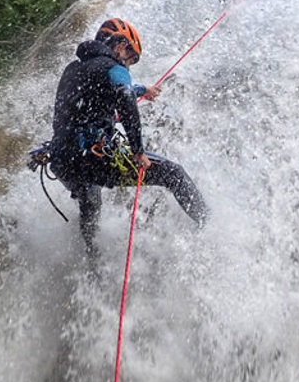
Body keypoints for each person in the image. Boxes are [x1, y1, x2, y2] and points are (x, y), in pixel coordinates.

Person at [48, 18, 207, 254]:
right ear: (121, 46)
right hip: (93, 159)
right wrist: (138, 151)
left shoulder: (73, 69)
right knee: (173, 173)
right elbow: (123, 95)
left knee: (90, 198)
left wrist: (143, 89)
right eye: (130, 59)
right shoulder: (115, 69)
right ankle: (208, 226)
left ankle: (91, 258)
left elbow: (103, 93)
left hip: (62, 161)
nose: (128, 66)